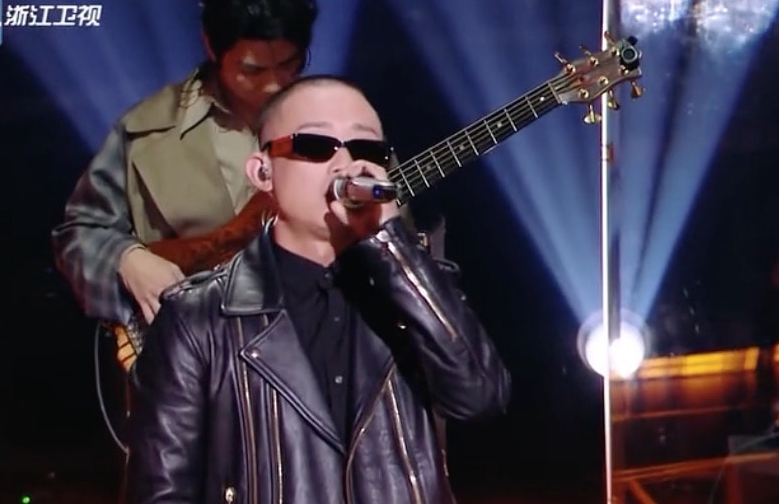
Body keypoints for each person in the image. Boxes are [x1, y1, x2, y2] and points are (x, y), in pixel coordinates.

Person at [125, 75, 511, 504]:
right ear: (262, 172)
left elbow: (480, 397)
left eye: (366, 150)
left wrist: (391, 244)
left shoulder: (411, 290)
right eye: (315, 145)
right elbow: (160, 490)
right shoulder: (198, 318)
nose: (345, 164)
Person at [50, 0, 318, 369]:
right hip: (194, 363)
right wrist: (126, 259)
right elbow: (78, 233)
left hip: (315, 352)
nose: (274, 84)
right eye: (252, 70)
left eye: (289, 64)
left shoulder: (337, 120)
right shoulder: (146, 130)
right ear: (211, 45)